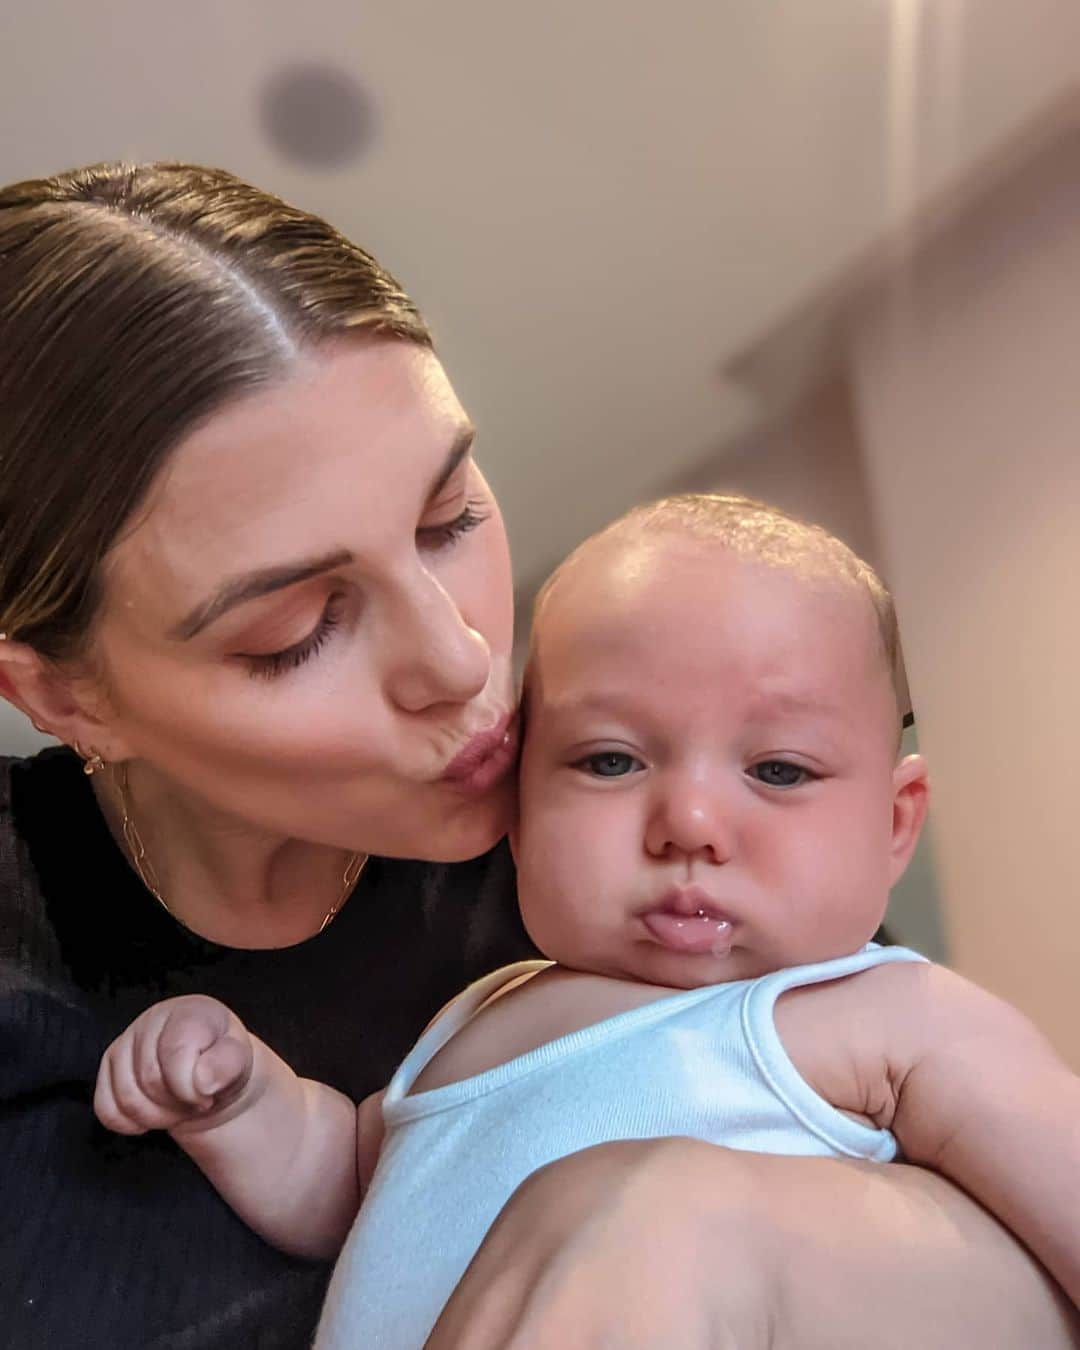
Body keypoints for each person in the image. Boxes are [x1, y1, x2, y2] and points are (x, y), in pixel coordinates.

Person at [0, 161, 1074, 1350]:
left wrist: (716, 1238)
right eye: (294, 631)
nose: (463, 661)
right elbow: (376, 1172)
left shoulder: (789, 976)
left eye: (451, 518)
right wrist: (247, 1107)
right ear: (58, 692)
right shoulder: (509, 986)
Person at [97, 494, 1080, 1348]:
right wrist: (242, 1104)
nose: (689, 825)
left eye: (778, 770)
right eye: (610, 761)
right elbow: (355, 1188)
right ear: (517, 808)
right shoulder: (478, 1017)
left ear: (895, 824)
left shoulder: (884, 1014)